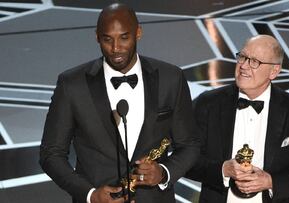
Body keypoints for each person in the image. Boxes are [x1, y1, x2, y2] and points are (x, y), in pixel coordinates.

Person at [39, 3, 199, 203]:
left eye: (124, 37)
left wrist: (163, 172)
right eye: (107, 39)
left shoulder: (170, 78)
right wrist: (90, 195)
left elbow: (189, 144)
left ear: (138, 32)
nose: (116, 48)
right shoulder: (72, 84)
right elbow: (51, 154)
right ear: (97, 36)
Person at [186, 35, 289, 203]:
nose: (244, 66)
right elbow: (187, 159)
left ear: (274, 71)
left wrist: (270, 181)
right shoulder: (208, 103)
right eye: (242, 57)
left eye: (254, 62)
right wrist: (223, 169)